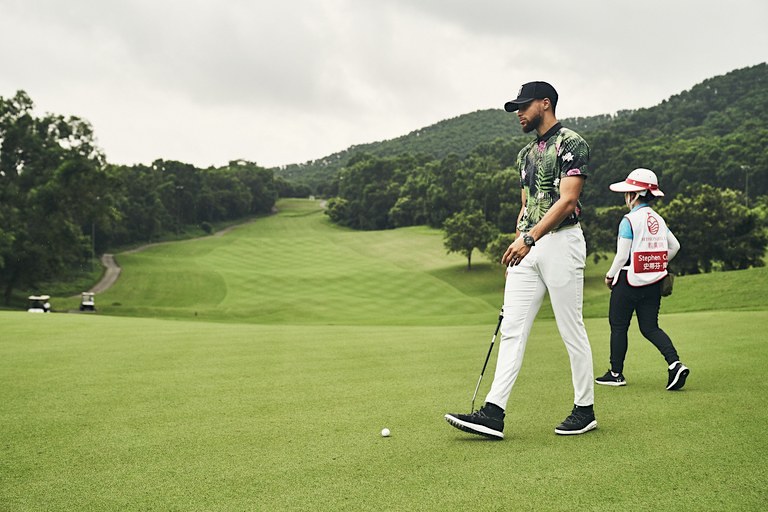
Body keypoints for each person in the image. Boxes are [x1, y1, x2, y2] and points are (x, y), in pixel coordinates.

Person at [445, 81, 596, 439]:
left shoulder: (571, 143)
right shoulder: (524, 155)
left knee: (570, 327)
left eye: (524, 107)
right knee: (512, 327)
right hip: (528, 248)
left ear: (545, 104)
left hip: (561, 242)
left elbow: (568, 201)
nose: (519, 114)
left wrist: (529, 238)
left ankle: (585, 409)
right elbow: (526, 204)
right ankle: (493, 413)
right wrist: (519, 242)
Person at [597, 168, 689, 390]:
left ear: (636, 194)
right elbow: (674, 246)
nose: (626, 197)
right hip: (654, 282)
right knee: (650, 327)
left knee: (619, 327)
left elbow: (621, 256)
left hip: (628, 281)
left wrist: (610, 276)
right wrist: (658, 264)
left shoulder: (629, 220)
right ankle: (675, 364)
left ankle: (616, 373)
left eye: (628, 193)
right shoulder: (658, 218)